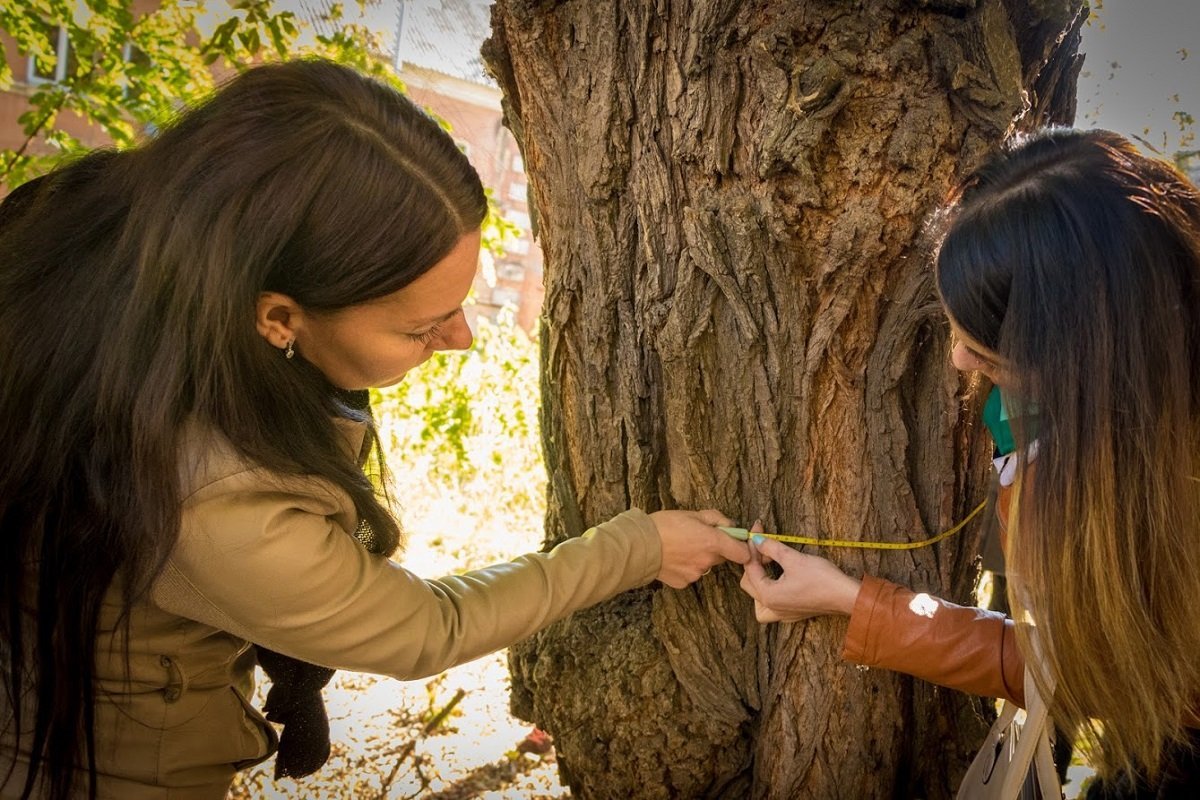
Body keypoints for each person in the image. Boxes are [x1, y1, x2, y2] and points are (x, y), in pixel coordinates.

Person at [0, 59, 750, 800]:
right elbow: (425, 627)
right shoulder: (213, 492)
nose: (462, 340)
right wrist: (639, 546)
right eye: (422, 327)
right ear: (278, 318)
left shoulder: (96, 247)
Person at [738, 128, 1200, 795]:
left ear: (1089, 363)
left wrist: (857, 604)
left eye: (989, 355)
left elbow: (1087, 668)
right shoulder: (1124, 412)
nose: (958, 361)